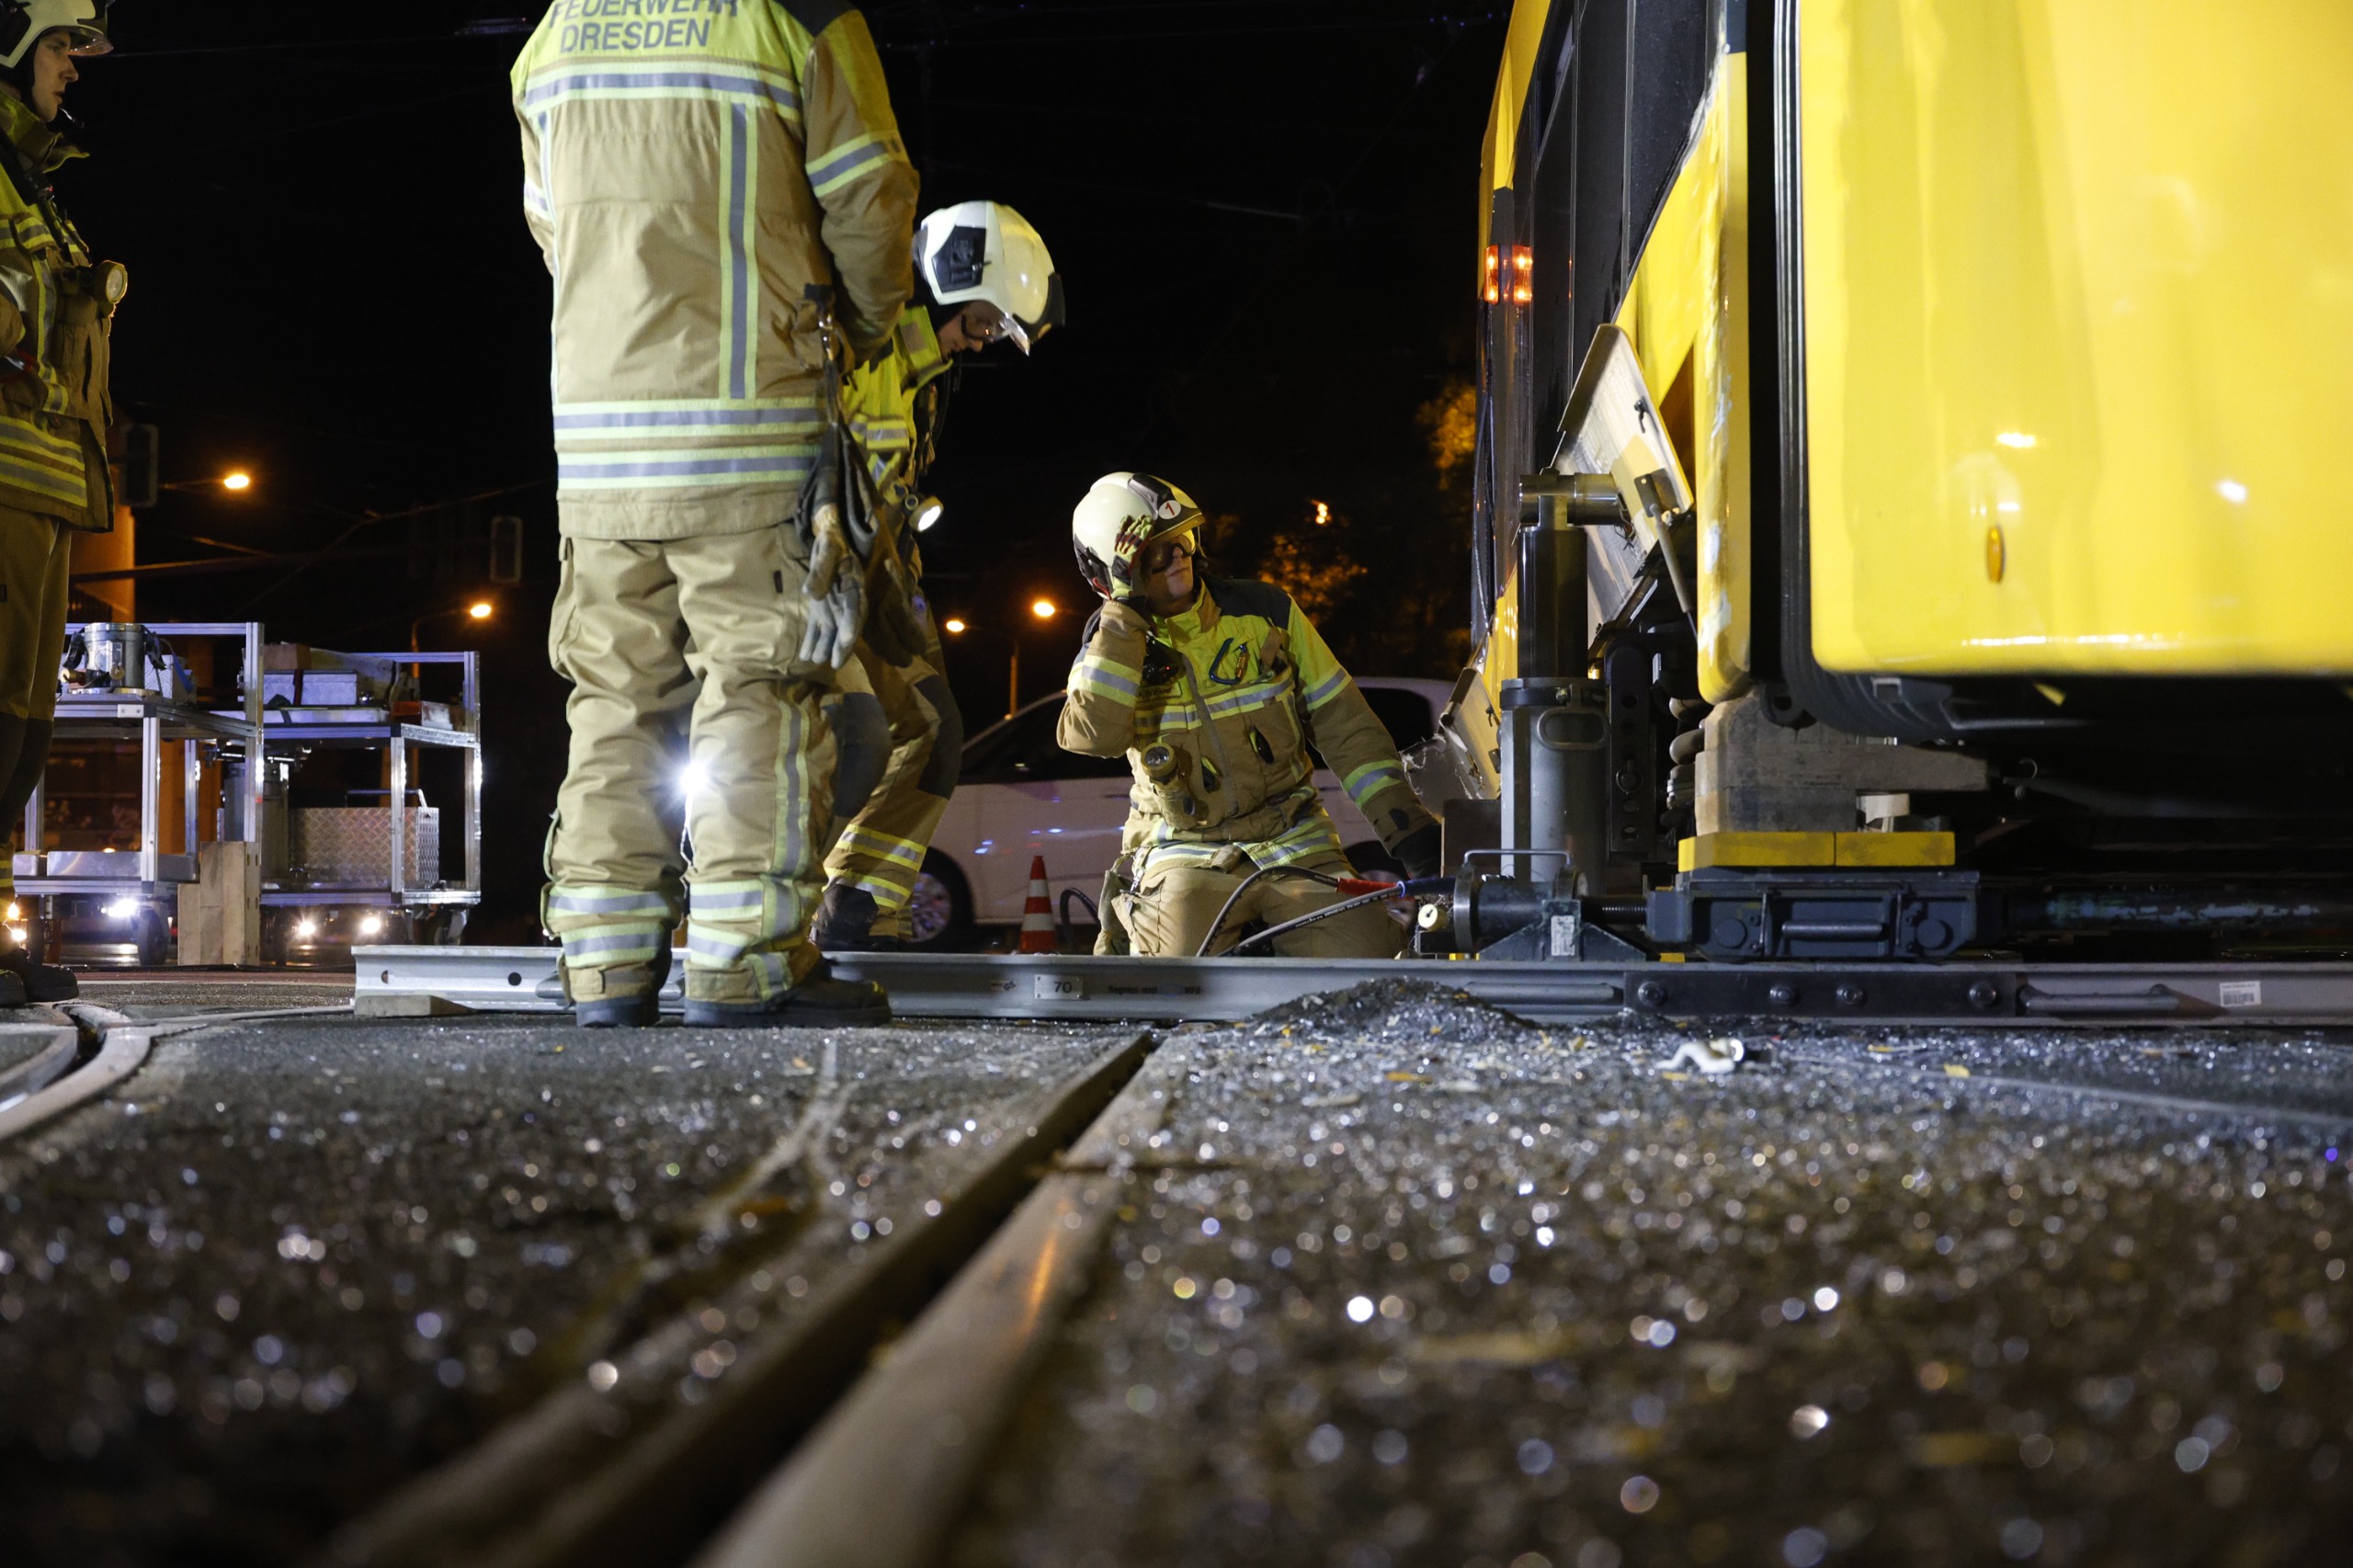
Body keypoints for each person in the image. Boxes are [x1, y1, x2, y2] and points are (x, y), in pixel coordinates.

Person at [513, 1, 915, 1027]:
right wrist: (861, 331)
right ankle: (746, 963)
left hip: (599, 439)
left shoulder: (556, 34)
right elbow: (871, 203)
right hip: (750, 417)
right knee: (760, 685)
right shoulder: (802, 20)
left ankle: (604, 967)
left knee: (615, 693)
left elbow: (553, 227)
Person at [1058, 473, 1441, 958]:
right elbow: (1094, 736)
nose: (1179, 555)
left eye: (1184, 539)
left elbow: (1346, 727)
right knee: (1171, 980)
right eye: (1155, 550)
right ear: (1110, 572)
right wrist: (1123, 618)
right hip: (1182, 851)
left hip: (1294, 837)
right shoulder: (1108, 644)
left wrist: (1408, 832)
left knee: (1367, 963)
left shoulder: (1264, 611)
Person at [816, 199, 1063, 949]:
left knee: (934, 731)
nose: (981, 344)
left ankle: (860, 906)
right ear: (947, 284)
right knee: (856, 738)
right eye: (983, 323)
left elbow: (889, 499)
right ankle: (779, 895)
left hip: (875, 584)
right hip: (817, 587)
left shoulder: (924, 378)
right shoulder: (862, 348)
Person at [0, 3, 118, 1009]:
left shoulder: (29, 180)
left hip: (37, 486)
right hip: (2, 481)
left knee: (19, 721)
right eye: (58, 46)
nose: (71, 70)